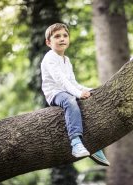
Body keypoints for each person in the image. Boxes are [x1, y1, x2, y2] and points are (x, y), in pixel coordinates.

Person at [41, 23, 110, 166]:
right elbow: (61, 81)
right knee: (71, 101)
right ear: (49, 42)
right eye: (57, 36)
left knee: (88, 104)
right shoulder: (50, 57)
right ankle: (76, 143)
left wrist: (89, 90)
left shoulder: (67, 60)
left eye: (65, 36)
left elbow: (73, 82)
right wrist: (78, 94)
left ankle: (94, 146)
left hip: (67, 90)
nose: (62, 39)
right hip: (55, 93)